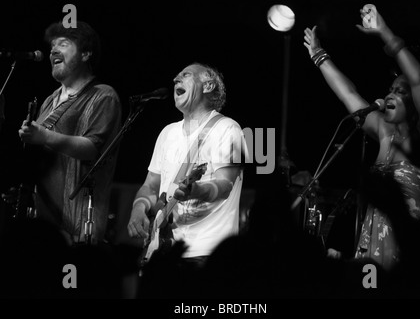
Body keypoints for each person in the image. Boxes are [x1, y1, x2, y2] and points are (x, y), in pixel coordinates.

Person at [303, 5, 420, 272]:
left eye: (400, 91)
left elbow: (419, 79)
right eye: (390, 89)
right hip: (370, 248)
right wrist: (319, 55)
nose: (390, 94)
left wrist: (385, 33)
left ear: (416, 104)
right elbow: (349, 95)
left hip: (409, 251)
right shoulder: (383, 131)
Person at [127, 63, 247, 296]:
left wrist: (196, 190)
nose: (175, 79)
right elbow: (151, 186)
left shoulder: (227, 129)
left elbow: (225, 185)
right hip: (162, 252)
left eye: (185, 75)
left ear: (208, 85)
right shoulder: (167, 133)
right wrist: (138, 207)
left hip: (205, 254)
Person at [15, 21, 122, 244]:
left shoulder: (103, 96)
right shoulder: (50, 100)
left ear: (86, 53)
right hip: (42, 224)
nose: (53, 50)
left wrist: (43, 136)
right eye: (52, 46)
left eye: (63, 44)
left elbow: (92, 149)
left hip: (78, 227)